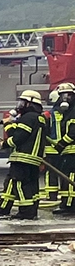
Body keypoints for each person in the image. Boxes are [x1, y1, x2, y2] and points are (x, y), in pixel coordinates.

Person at [0, 89, 48, 221]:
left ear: (30, 103)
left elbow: (18, 137)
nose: (20, 105)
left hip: (23, 157)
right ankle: (3, 209)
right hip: (33, 159)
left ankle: (26, 212)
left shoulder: (28, 117)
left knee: (20, 184)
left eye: (23, 102)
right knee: (19, 184)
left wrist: (6, 134)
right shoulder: (39, 118)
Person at [51, 83, 75, 218]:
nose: (65, 99)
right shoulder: (69, 111)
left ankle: (70, 205)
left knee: (70, 177)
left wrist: (60, 144)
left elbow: (73, 133)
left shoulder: (73, 112)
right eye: (62, 96)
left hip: (73, 152)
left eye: (68, 95)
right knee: (66, 177)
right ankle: (66, 203)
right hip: (69, 152)